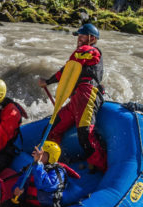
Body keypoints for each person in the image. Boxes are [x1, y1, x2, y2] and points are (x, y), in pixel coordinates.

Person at [38, 23, 107, 172]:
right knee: (53, 128)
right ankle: (51, 160)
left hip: (87, 94)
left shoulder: (91, 50)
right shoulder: (80, 54)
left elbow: (68, 69)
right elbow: (69, 69)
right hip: (76, 98)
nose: (79, 39)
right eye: (79, 36)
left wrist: (48, 81)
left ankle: (101, 167)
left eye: (82, 36)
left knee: (85, 133)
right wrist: (49, 81)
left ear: (92, 38)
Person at [0, 141, 79, 207]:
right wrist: (16, 190)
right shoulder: (32, 167)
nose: (38, 156)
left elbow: (44, 185)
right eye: (38, 153)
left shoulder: (57, 172)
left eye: (42, 154)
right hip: (28, 204)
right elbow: (21, 182)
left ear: (51, 157)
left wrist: (38, 165)